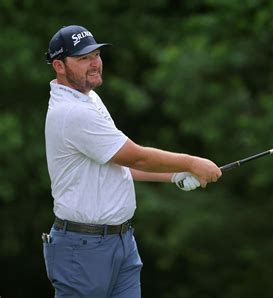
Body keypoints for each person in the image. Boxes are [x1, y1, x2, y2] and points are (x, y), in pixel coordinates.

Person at [42, 25, 222, 297]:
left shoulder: (89, 98)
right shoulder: (71, 112)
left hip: (122, 242)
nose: (95, 64)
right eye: (83, 58)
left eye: (96, 55)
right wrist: (191, 163)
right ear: (59, 66)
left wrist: (172, 176)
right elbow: (136, 156)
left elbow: (117, 162)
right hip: (83, 249)